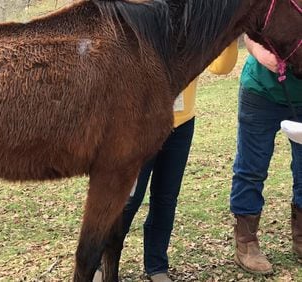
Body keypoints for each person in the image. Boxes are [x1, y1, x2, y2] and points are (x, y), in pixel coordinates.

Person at [92, 41, 239, 282]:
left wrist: (232, 30)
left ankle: (157, 266)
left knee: (166, 198)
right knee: (128, 199)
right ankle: (99, 261)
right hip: (139, 125)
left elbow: (221, 67)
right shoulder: (143, 13)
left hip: (181, 124)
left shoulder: (196, 25)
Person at [231, 34, 302, 274]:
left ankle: (301, 238)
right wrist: (262, 54)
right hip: (260, 91)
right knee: (251, 169)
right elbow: (249, 31)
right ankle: (246, 243)